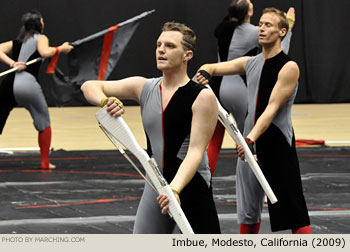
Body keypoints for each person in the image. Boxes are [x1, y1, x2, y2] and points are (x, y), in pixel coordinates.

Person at [81, 22, 221, 234]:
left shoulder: (203, 97)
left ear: (187, 55)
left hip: (191, 184)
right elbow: (89, 86)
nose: (161, 50)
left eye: (170, 46)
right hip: (156, 182)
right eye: (158, 44)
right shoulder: (144, 87)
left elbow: (195, 151)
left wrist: (175, 189)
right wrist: (105, 101)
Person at [197, 8, 311, 234]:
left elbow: (271, 109)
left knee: (293, 210)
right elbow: (215, 67)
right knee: (248, 211)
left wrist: (249, 139)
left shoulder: (289, 67)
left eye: (268, 25)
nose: (262, 28)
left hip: (275, 144)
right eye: (260, 24)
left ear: (282, 32)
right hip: (248, 144)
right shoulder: (251, 62)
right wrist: (206, 71)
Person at [207, 0, 295, 174]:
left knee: (213, 140)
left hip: (217, 88)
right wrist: (289, 28)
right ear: (248, 13)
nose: (262, 27)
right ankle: (251, 172)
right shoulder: (252, 32)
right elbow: (280, 53)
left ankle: (204, 177)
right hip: (236, 88)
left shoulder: (223, 28)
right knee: (246, 135)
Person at [0, 10, 73, 169]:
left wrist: (12, 63)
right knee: (43, 121)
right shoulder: (41, 38)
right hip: (27, 84)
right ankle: (45, 162)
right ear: (39, 23)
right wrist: (61, 49)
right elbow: (45, 52)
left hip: (7, 85)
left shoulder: (17, 41)